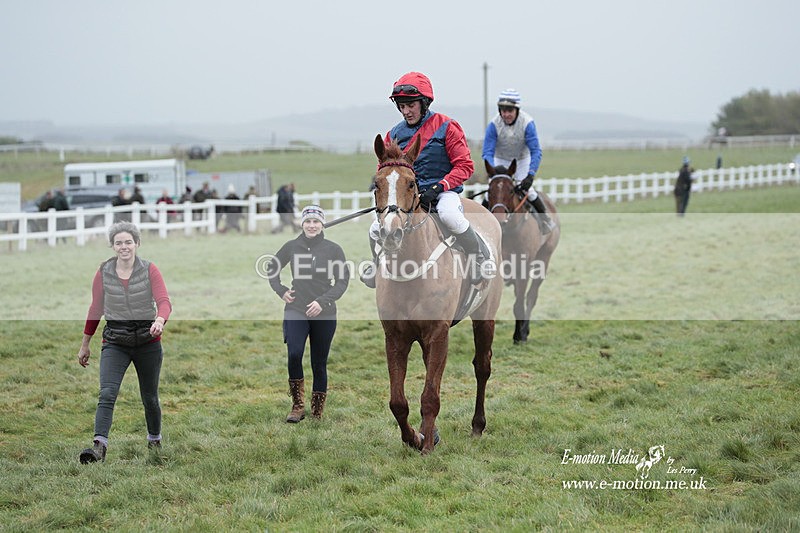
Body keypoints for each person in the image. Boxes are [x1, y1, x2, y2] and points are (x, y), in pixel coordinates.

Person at [362, 71, 483, 288]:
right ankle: (376, 264)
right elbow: (386, 170)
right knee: (374, 228)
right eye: (401, 106)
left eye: (410, 105)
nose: (406, 111)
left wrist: (439, 187)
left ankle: (478, 260)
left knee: (450, 216)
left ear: (424, 102)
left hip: (443, 191)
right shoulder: (393, 134)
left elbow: (465, 166)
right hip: (408, 194)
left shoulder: (447, 126)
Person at [77, 222, 172, 463]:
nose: (124, 246)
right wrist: (85, 344)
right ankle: (99, 447)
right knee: (107, 393)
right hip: (115, 341)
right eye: (118, 242)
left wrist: (160, 320)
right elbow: (95, 308)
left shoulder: (150, 270)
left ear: (137, 244)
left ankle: (154, 440)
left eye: (128, 242)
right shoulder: (103, 272)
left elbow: (164, 301)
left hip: (148, 340)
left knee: (149, 396)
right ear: (112, 246)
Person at [267, 205, 349, 422]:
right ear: (302, 224)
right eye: (308, 221)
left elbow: (342, 281)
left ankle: (317, 409)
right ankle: (297, 406)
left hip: (325, 312)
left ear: (322, 224)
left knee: (318, 362)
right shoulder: (292, 246)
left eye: (316, 221)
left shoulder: (333, 250)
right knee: (294, 354)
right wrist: (281, 290)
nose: (312, 225)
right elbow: (272, 268)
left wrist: (323, 302)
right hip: (296, 308)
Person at [482, 88, 556, 235]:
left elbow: (536, 151)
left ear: (517, 110)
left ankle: (545, 220)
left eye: (510, 110)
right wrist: (493, 169)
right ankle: (481, 224)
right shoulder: (494, 124)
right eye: (503, 110)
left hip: (522, 160)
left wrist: (530, 175)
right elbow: (487, 152)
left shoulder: (527, 123)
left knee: (530, 192)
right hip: (500, 160)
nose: (506, 114)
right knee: (490, 193)